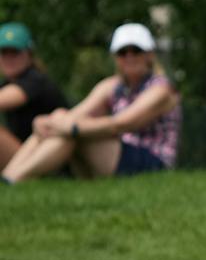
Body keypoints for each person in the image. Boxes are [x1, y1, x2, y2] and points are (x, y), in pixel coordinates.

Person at [3, 23, 182, 183]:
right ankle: (8, 177)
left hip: (151, 161)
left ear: (149, 55)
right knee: (62, 119)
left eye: (136, 50)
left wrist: (72, 127)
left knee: (69, 128)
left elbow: (120, 125)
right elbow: (74, 115)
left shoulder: (161, 90)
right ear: (115, 57)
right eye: (122, 52)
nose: (129, 57)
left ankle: (13, 179)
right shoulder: (112, 86)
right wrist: (51, 121)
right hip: (116, 153)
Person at [0, 22, 68, 169]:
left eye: (15, 52)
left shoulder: (35, 80)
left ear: (29, 54)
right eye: (4, 52)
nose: (9, 58)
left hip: (44, 155)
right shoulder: (6, 83)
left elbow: (6, 98)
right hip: (23, 151)